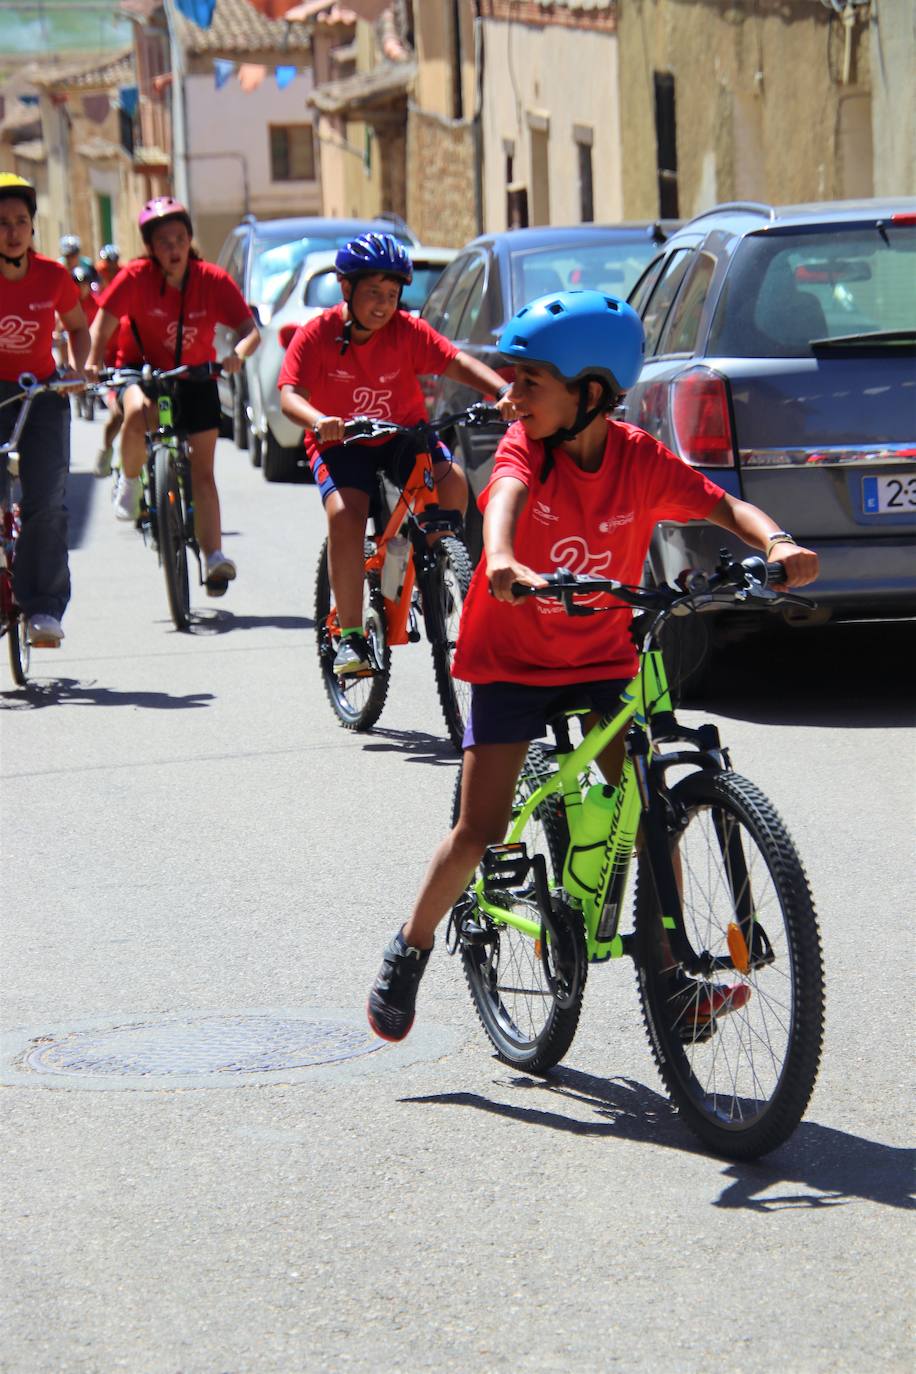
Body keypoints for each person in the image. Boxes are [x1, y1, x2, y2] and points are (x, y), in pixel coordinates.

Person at [365, 288, 820, 1042]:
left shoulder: (638, 461)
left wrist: (776, 544)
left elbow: (720, 506)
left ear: (594, 394)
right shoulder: (525, 451)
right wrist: (502, 556)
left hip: (602, 656)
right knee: (479, 829)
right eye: (508, 382)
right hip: (510, 659)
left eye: (528, 383)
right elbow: (503, 498)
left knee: (650, 818)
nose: (510, 399)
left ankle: (671, 980)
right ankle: (409, 947)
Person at [278, 232, 515, 676]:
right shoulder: (319, 334)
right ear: (346, 289)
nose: (384, 304)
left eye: (392, 294)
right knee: (346, 514)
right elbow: (290, 395)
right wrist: (317, 420)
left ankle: (436, 565)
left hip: (401, 434)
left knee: (453, 480)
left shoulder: (407, 332)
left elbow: (455, 362)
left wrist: (501, 390)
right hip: (341, 440)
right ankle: (350, 638)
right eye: (373, 293)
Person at [87, 197, 260, 590]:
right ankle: (131, 484)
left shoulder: (212, 280)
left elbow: (250, 331)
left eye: (180, 239)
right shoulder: (134, 277)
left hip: (196, 378)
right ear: (150, 247)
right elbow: (102, 322)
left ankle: (214, 556)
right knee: (135, 412)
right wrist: (94, 359)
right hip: (143, 371)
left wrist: (236, 355)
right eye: (164, 242)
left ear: (189, 241)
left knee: (203, 472)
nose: (173, 248)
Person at [0, 174, 89, 646]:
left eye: (20, 222)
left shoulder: (53, 277)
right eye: (2, 223)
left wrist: (77, 367)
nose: (12, 231)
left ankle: (43, 609)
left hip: (40, 393)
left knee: (47, 504)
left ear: (32, 228)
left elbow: (77, 327)